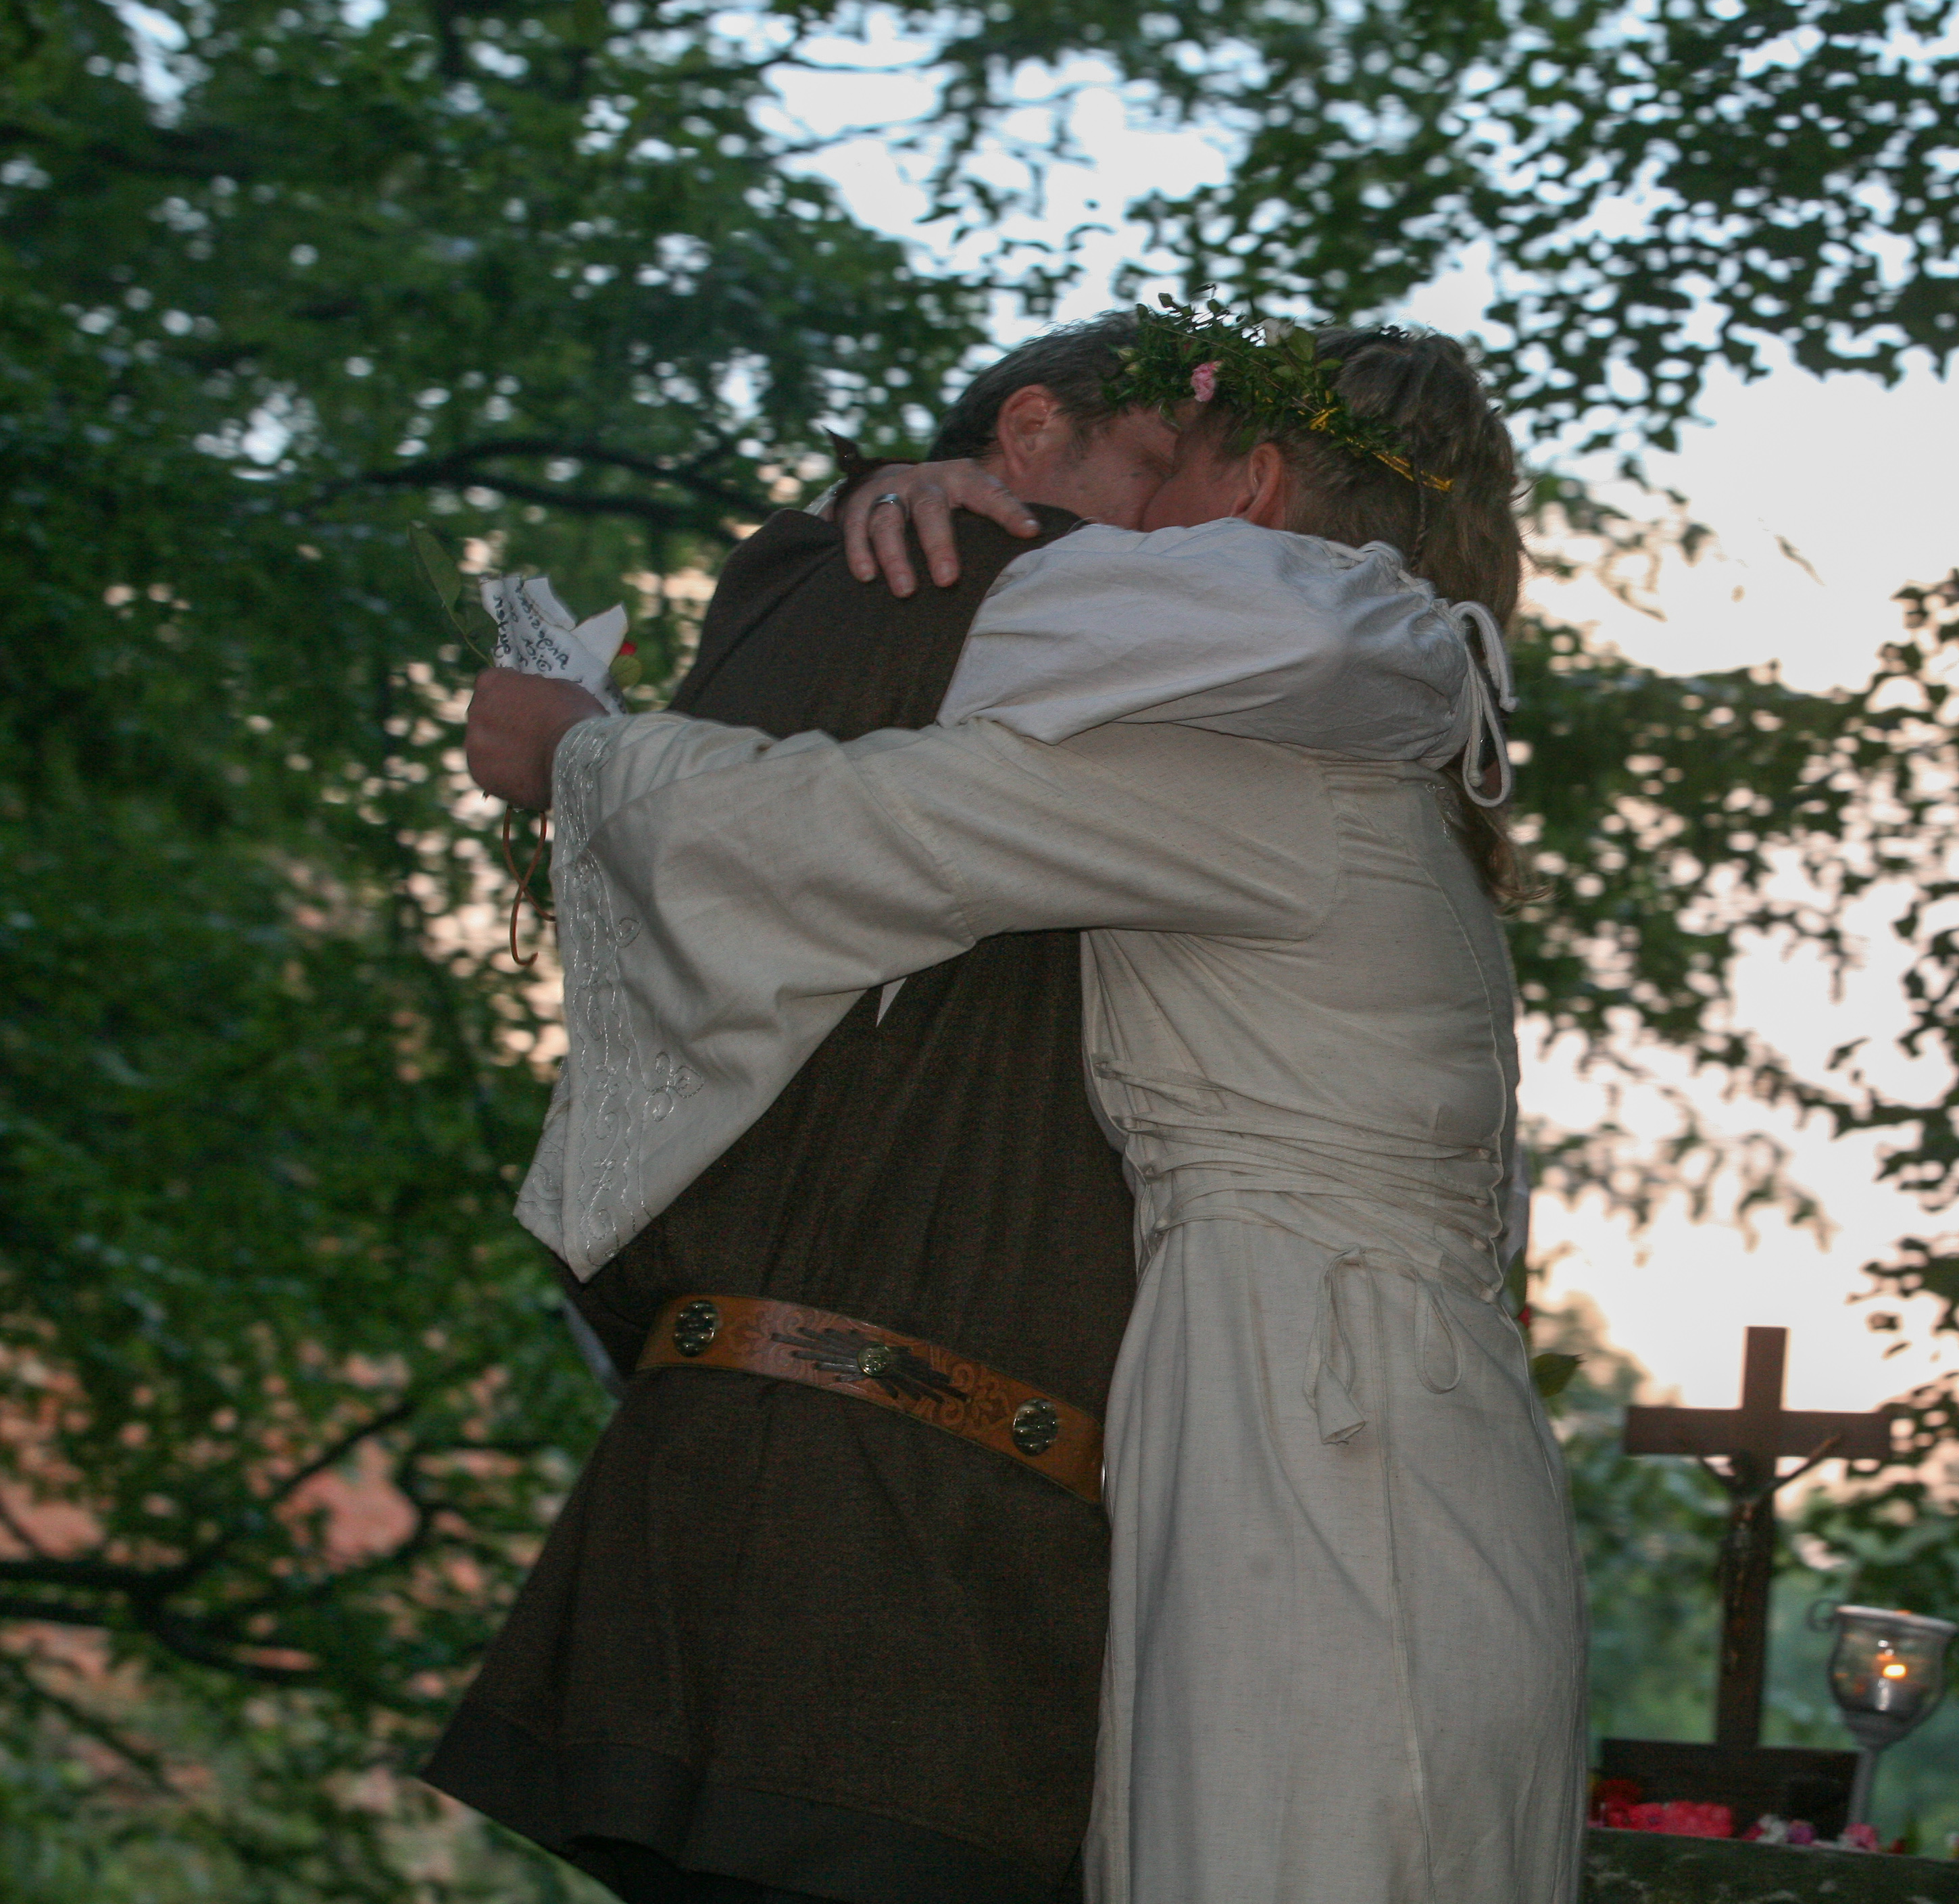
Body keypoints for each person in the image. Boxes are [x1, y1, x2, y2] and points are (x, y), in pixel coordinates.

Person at [460, 310, 1587, 1904]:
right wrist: (939, 481)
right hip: (1328, 1395)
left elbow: (854, 826)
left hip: (1321, 1420)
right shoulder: (1355, 758)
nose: (1105, 540)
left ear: (1257, 490)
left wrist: (578, 751)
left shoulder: (1272, 770)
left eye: (1160, 479)